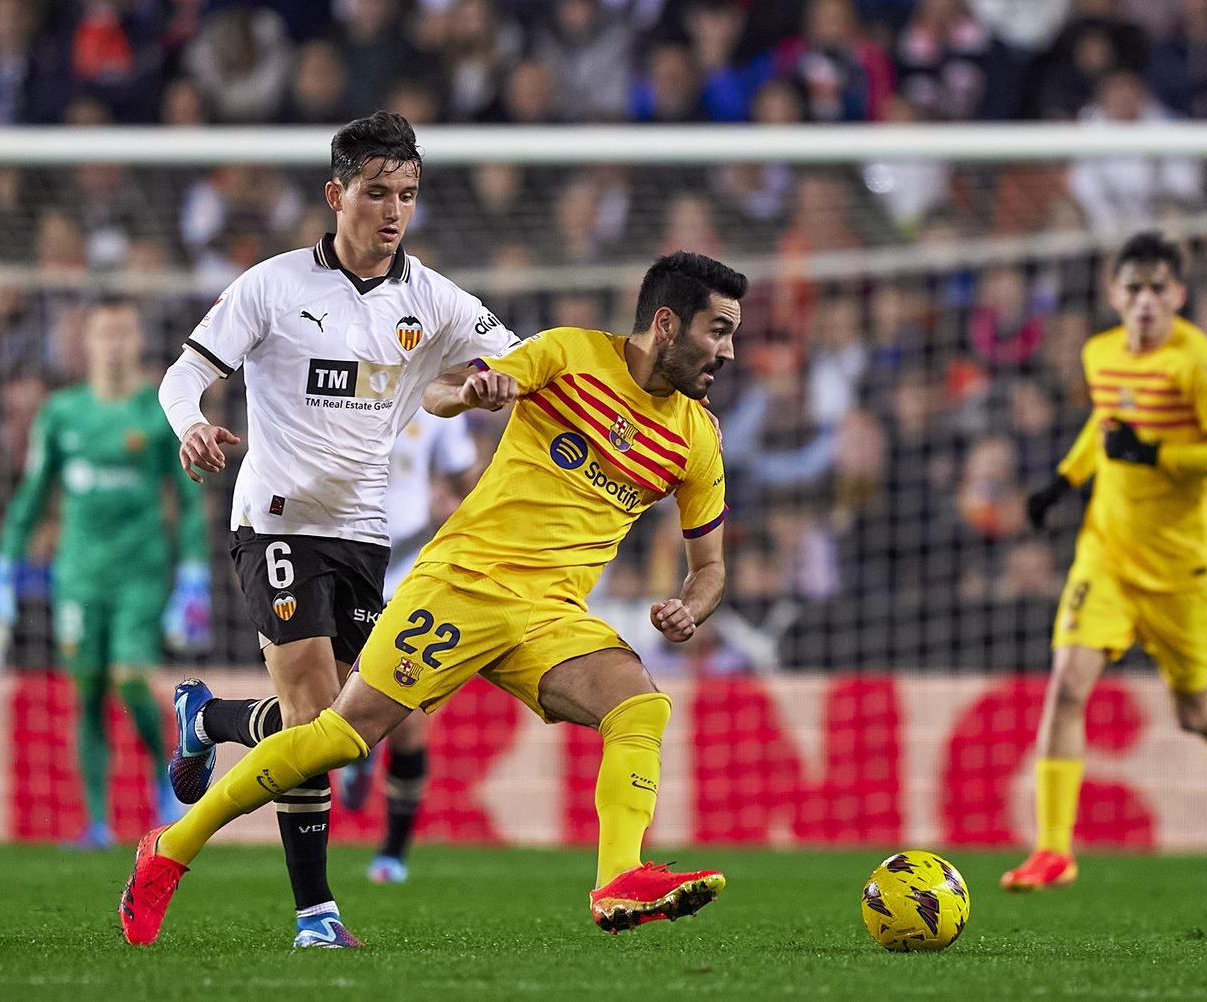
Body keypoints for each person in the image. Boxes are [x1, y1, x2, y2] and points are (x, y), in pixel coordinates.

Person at [120, 251, 744, 946]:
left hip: (549, 613)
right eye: (717, 330)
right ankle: (171, 846)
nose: (728, 349)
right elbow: (444, 392)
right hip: (463, 585)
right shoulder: (569, 353)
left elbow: (710, 566)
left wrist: (692, 602)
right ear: (666, 323)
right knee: (337, 735)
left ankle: (618, 879)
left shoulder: (697, 437)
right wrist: (475, 393)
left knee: (640, 705)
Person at [154, 111, 520, 948]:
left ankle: (207, 719)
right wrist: (192, 426)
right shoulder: (273, 286)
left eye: (409, 195)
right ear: (336, 194)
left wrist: (487, 386)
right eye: (377, 192)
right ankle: (316, 915)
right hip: (276, 520)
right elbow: (186, 374)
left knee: (346, 731)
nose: (394, 211)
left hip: (363, 533)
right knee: (316, 710)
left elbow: (513, 357)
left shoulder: (433, 298)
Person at [1002, 231, 1207, 891]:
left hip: (1183, 571)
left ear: (1179, 295)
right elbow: (1106, 426)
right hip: (1108, 555)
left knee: (1194, 713)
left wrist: (1157, 455)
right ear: (1113, 293)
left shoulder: (1200, 365)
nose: (1146, 300)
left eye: (1159, 288)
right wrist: (1063, 483)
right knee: (1067, 684)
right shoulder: (1100, 353)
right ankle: (1054, 849)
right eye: (1134, 287)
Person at [0, 299, 208, 850]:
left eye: (123, 333)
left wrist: (195, 573)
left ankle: (167, 777)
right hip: (78, 575)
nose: (113, 344)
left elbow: (187, 497)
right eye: (103, 333)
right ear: (86, 343)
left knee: (130, 676)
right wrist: (5, 561)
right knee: (86, 691)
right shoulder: (62, 414)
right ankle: (96, 823)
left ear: (137, 342)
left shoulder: (157, 411)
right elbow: (34, 494)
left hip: (140, 570)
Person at [336, 407, 484, 884]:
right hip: (345, 564)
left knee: (409, 720)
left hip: (410, 576)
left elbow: (471, 488)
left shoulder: (439, 404)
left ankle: (393, 853)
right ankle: (360, 754)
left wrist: (456, 508)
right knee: (337, 709)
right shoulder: (350, 384)